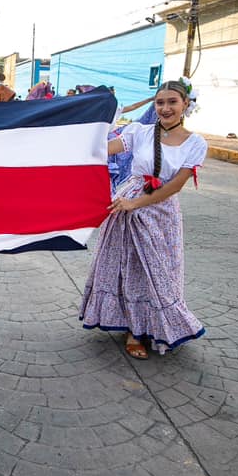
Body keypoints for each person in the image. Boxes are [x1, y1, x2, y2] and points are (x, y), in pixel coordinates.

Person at [79, 79, 207, 359]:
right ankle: (133, 330)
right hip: (126, 206)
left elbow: (174, 186)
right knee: (127, 267)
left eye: (172, 102)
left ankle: (157, 324)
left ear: (186, 104)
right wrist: (74, 135)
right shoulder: (140, 132)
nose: (165, 108)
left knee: (161, 270)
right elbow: (103, 149)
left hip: (159, 212)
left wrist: (135, 204)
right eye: (160, 102)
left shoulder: (196, 143)